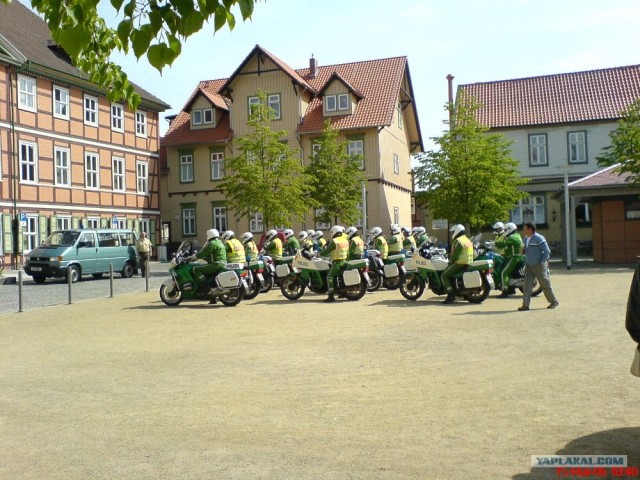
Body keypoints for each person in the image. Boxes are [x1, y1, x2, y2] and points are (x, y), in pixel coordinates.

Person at [518, 222, 559, 311]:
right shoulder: (525, 239)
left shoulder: (539, 238)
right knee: (527, 286)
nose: (523, 230)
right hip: (529, 265)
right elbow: (523, 250)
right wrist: (522, 251)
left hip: (539, 265)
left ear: (530, 229)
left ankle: (553, 301)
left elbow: (546, 251)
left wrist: (543, 262)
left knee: (545, 284)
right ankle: (525, 305)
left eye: (525, 229)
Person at [441, 224, 473, 304]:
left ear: (457, 231)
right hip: (468, 262)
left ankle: (450, 294)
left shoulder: (459, 241)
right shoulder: (467, 240)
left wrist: (450, 260)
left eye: (453, 232)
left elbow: (456, 254)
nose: (452, 234)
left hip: (460, 262)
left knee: (444, 275)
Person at [319, 225, 349, 302]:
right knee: (337, 277)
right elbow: (347, 252)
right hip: (344, 261)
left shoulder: (335, 241)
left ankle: (331, 296)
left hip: (338, 262)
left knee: (329, 277)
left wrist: (319, 254)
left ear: (333, 232)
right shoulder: (345, 240)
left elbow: (328, 250)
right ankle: (342, 292)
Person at [192, 228, 226, 295]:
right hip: (222, 264)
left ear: (210, 235)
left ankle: (205, 288)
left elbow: (204, 252)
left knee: (196, 269)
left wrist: (194, 257)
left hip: (215, 265)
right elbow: (212, 254)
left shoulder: (212, 243)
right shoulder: (220, 242)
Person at [495, 222, 523, 297]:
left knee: (503, 273)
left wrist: (494, 243)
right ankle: (511, 289)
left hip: (513, 257)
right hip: (510, 257)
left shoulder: (513, 237)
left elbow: (503, 243)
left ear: (510, 229)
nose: (504, 231)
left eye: (506, 229)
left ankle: (505, 291)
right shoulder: (515, 235)